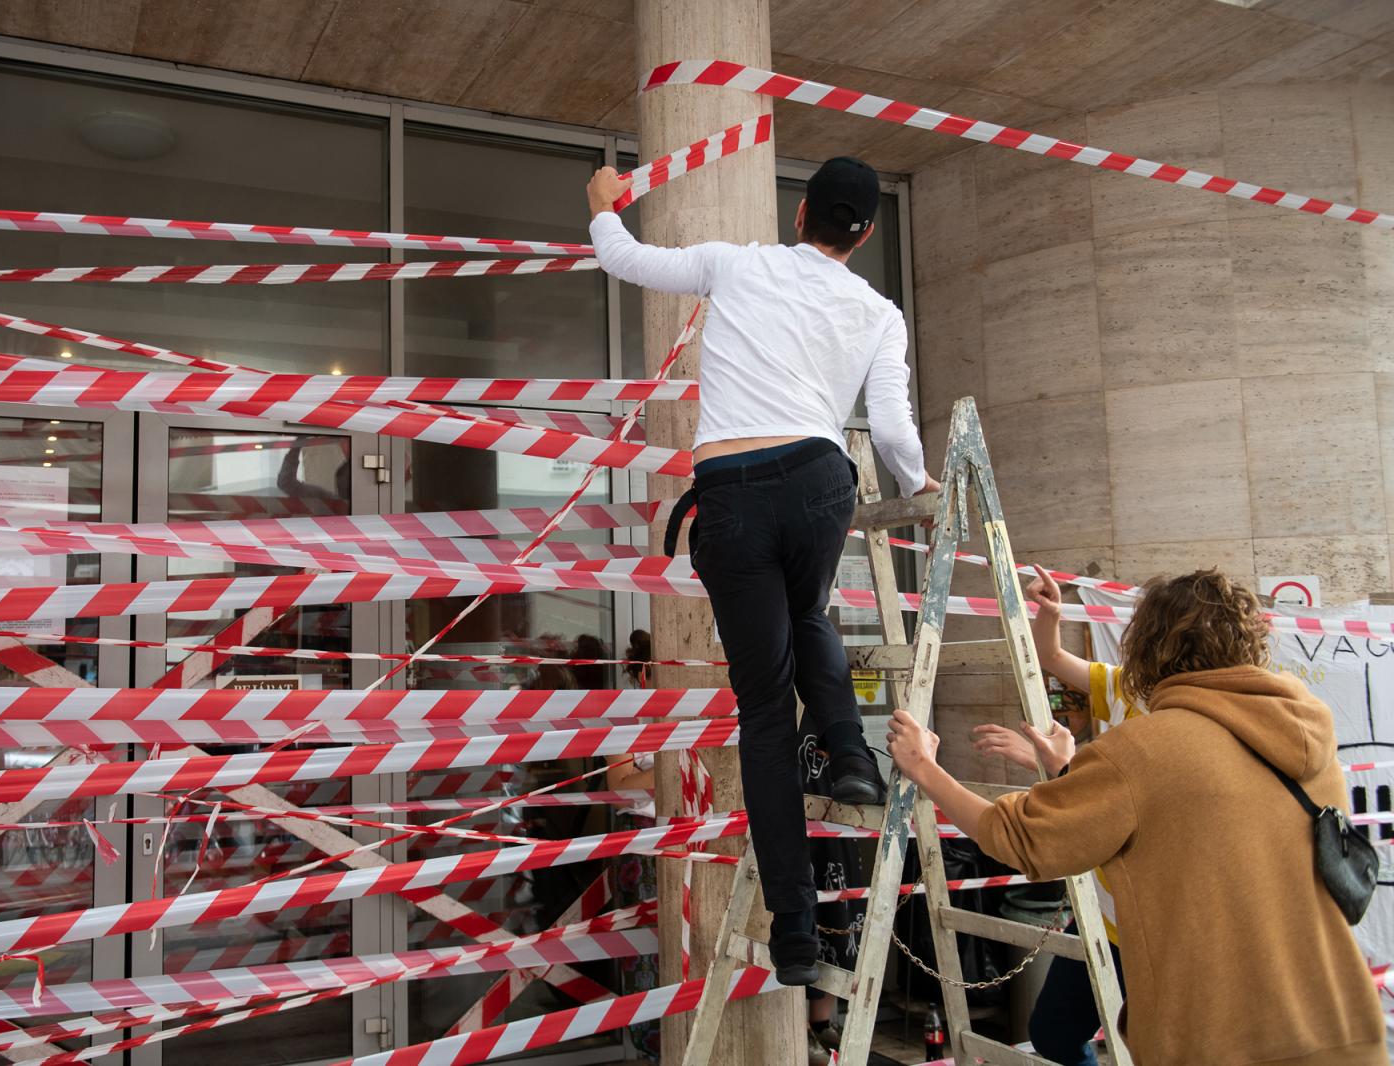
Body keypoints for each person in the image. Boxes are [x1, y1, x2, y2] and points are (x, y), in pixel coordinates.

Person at [585, 156, 937, 986]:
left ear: (801, 212)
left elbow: (625, 258)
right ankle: (851, 754)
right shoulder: (879, 312)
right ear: (869, 233)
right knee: (809, 611)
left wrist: (603, 205)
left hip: (735, 494)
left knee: (766, 721)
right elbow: (890, 427)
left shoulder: (737, 261)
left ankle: (795, 935)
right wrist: (917, 479)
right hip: (821, 481)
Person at [886, 569, 1388, 1066]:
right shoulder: (1306, 721)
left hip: (1224, 1038)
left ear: (1145, 643)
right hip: (1339, 1025)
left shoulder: (1140, 750)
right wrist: (1069, 768)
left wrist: (924, 769)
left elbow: (1018, 836)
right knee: (1056, 1030)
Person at [969, 565, 1125, 1066]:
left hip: (1157, 919)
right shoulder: (1130, 686)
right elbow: (1052, 657)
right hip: (1107, 915)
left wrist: (1054, 763)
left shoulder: (1177, 723)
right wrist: (1051, 612)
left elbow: (1114, 793)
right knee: (1053, 1032)